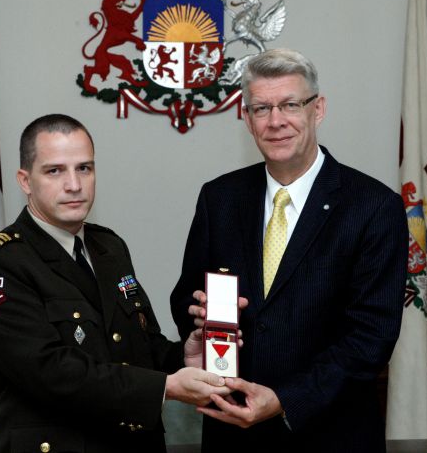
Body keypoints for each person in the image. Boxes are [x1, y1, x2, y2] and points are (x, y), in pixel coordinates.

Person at [170, 48, 409, 452]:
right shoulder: (219, 198)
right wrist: (199, 317)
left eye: (290, 105)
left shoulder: (373, 207)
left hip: (332, 436)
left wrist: (284, 400)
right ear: (247, 119)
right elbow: (185, 298)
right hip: (233, 433)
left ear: (318, 109)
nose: (275, 121)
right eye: (261, 108)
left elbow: (371, 338)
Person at [0, 114, 231, 453]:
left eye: (84, 168)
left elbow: (139, 346)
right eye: (54, 171)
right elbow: (49, 371)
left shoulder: (108, 247)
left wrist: (184, 357)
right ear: (25, 181)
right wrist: (165, 387)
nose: (74, 184)